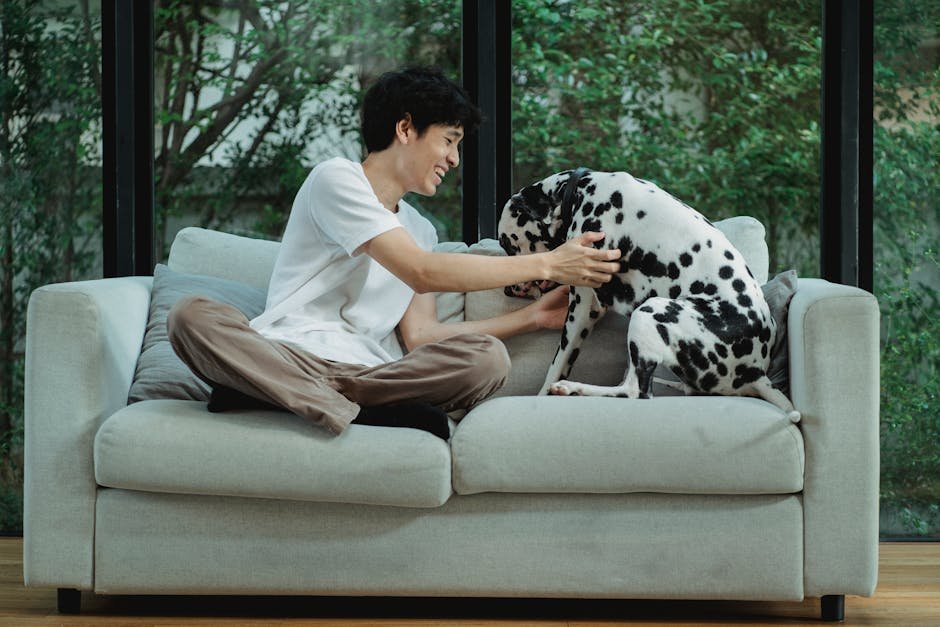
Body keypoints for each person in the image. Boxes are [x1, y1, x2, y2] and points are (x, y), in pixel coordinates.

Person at [167, 67, 621, 440]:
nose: (454, 159)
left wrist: (532, 319)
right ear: (405, 128)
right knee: (190, 316)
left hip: (370, 374)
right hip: (287, 352)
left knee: (487, 359)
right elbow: (421, 272)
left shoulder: (420, 229)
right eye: (449, 140)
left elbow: (422, 337)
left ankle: (282, 395)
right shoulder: (336, 179)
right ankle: (340, 404)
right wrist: (550, 262)